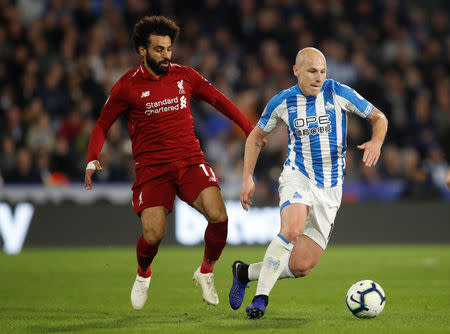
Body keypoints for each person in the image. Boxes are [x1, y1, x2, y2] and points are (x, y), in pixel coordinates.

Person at [84, 16, 254, 310]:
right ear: (142, 50)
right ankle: (143, 274)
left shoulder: (185, 76)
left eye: (169, 49)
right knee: (154, 235)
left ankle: (205, 272)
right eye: (159, 49)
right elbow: (102, 124)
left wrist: (250, 130)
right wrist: (91, 159)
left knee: (220, 217)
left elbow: (218, 99)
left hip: (190, 161)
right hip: (152, 171)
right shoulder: (127, 86)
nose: (166, 55)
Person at [229, 47, 388, 319]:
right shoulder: (282, 101)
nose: (318, 77)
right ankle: (260, 299)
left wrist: (376, 141)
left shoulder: (338, 93)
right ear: (296, 71)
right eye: (312, 71)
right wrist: (247, 178)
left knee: (302, 266)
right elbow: (255, 137)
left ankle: (244, 273)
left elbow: (379, 117)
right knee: (292, 229)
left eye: (323, 71)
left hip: (331, 187)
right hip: (297, 175)